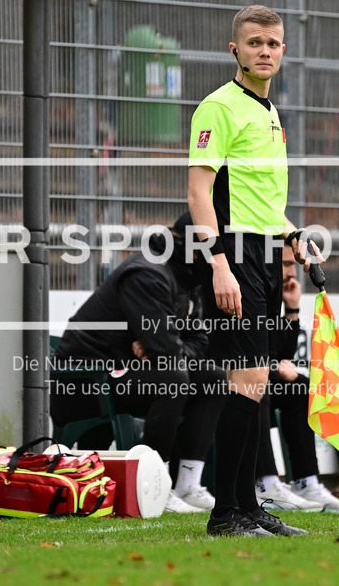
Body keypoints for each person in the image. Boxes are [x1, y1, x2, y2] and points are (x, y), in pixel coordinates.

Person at [188, 4, 320, 537]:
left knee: (258, 382)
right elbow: (199, 192)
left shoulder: (268, 112)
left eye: (273, 43)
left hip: (265, 253)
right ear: (234, 50)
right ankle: (226, 514)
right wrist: (218, 262)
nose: (265, 51)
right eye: (255, 43)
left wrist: (293, 238)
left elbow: (262, 203)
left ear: (283, 50)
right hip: (234, 254)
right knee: (246, 379)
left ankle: (247, 506)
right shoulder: (217, 108)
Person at [49, 214, 225, 513]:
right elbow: (166, 348)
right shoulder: (147, 273)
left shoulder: (187, 277)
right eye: (207, 250)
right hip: (85, 384)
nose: (214, 260)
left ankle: (188, 484)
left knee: (213, 378)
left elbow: (198, 342)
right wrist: (167, 347)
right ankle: (158, 483)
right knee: (173, 377)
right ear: (185, 246)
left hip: (126, 374)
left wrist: (168, 346)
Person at [254, 245, 339, 514]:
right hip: (234, 376)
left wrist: (291, 310)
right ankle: (265, 484)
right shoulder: (252, 283)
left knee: (300, 387)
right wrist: (275, 370)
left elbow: (281, 354)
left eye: (293, 264)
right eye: (286, 264)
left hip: (260, 371)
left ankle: (306, 482)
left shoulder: (274, 289)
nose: (292, 272)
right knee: (260, 386)